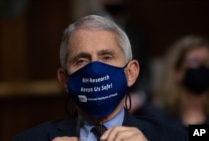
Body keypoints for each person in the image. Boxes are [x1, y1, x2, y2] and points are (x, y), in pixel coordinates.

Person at [11, 15, 188, 141]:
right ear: (65, 80)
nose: (94, 69)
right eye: (81, 60)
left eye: (106, 57)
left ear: (131, 73)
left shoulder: (174, 134)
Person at [153, 35, 209, 131]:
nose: (202, 67)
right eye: (194, 61)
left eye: (206, 62)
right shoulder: (156, 116)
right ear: (177, 71)